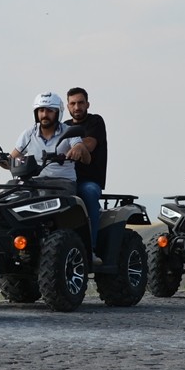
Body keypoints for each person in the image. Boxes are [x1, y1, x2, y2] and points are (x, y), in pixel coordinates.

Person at [0, 91, 97, 262]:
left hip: (61, 183)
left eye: (49, 110)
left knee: (46, 204)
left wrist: (79, 149)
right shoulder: (28, 133)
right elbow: (12, 160)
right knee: (3, 195)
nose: (44, 115)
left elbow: (87, 157)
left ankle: (82, 249)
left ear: (57, 112)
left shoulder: (69, 132)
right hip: (32, 182)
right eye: (40, 111)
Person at [64, 87, 106, 256]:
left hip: (87, 180)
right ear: (67, 106)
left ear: (87, 104)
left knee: (88, 192)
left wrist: (77, 148)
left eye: (80, 103)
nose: (77, 107)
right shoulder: (63, 126)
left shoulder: (95, 122)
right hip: (63, 179)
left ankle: (91, 248)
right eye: (73, 103)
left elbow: (88, 145)